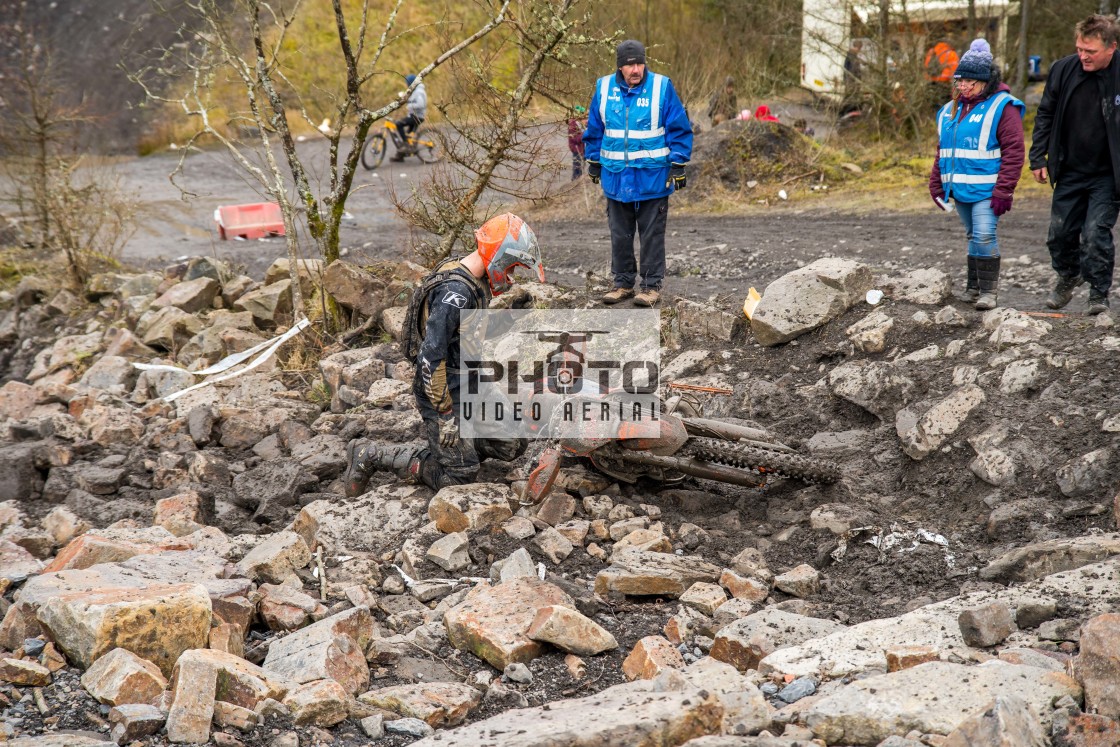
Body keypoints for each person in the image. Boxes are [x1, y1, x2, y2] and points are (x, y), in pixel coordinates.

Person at [343, 214, 544, 494]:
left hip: (473, 380)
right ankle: (372, 454)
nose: (510, 275)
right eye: (511, 266)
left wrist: (511, 317)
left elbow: (470, 331)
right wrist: (446, 414)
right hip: (445, 389)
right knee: (459, 478)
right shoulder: (456, 292)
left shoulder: (470, 276)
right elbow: (430, 357)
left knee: (513, 444)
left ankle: (461, 449)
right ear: (499, 255)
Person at [583, 39, 694, 308]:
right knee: (619, 234)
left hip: (652, 177)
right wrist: (594, 160)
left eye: (639, 63)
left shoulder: (661, 87)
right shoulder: (604, 87)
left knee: (651, 234)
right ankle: (622, 284)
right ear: (619, 67)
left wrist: (678, 163)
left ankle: (651, 287)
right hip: (616, 176)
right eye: (630, 65)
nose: (636, 69)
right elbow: (596, 128)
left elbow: (679, 127)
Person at [1030, 15, 1120, 315]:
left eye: (1090, 51)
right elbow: (1045, 113)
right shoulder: (1062, 69)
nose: (1083, 56)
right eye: (1079, 48)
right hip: (1069, 167)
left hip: (1108, 174)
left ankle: (1098, 293)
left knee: (1095, 233)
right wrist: (1038, 155)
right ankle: (1068, 275)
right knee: (1059, 233)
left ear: (1111, 47)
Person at [929, 39, 1025, 310]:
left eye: (970, 82)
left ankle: (988, 293)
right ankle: (973, 289)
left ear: (986, 82)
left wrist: (1004, 189)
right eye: (960, 81)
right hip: (959, 190)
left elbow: (1015, 151)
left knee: (984, 235)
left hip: (989, 190)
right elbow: (943, 151)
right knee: (973, 236)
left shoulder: (1003, 107)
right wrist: (936, 183)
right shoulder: (949, 110)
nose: (964, 87)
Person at [390, 74, 427, 161]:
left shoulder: (419, 92)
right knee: (406, 136)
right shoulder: (415, 91)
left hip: (417, 117)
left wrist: (409, 106)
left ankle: (406, 146)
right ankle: (400, 155)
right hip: (413, 116)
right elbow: (411, 100)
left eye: (407, 83)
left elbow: (421, 104)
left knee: (399, 124)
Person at [568, 106, 586, 180]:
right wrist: (584, 134)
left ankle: (579, 180)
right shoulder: (572, 124)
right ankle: (574, 181)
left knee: (582, 165)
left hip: (583, 148)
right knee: (577, 167)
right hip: (576, 148)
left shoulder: (581, 123)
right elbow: (575, 139)